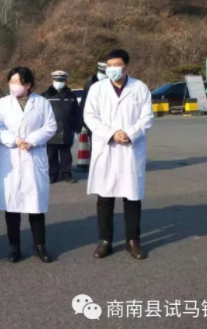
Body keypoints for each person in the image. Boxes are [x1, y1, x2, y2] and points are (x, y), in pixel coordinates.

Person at [84, 49, 154, 260]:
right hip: (107, 147)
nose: (112, 69)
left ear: (126, 67)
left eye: (117, 65)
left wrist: (130, 134)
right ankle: (105, 240)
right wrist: (112, 134)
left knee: (132, 196)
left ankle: (133, 241)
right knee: (105, 197)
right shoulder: (97, 89)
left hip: (130, 149)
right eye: (109, 65)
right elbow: (90, 116)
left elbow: (147, 117)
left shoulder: (140, 88)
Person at [0, 67, 57, 263]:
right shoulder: (2, 104)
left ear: (28, 85)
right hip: (11, 157)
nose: (13, 85)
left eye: (17, 82)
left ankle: (40, 246)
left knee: (36, 205)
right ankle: (14, 247)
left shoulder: (42, 103)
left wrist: (32, 140)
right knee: (12, 206)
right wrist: (15, 140)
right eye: (11, 81)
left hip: (33, 156)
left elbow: (50, 126)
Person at [41, 70, 81, 184]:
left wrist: (77, 127)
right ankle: (52, 175)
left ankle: (66, 174)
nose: (59, 82)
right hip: (51, 131)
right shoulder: (46, 95)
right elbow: (40, 114)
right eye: (57, 80)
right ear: (53, 80)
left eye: (61, 80)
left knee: (66, 155)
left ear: (65, 81)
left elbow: (77, 113)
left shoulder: (71, 95)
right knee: (51, 155)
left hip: (67, 129)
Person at [80, 62, 107, 140]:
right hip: (94, 121)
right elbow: (84, 104)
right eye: (101, 73)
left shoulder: (111, 83)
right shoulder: (90, 85)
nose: (103, 75)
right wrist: (83, 122)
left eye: (104, 73)